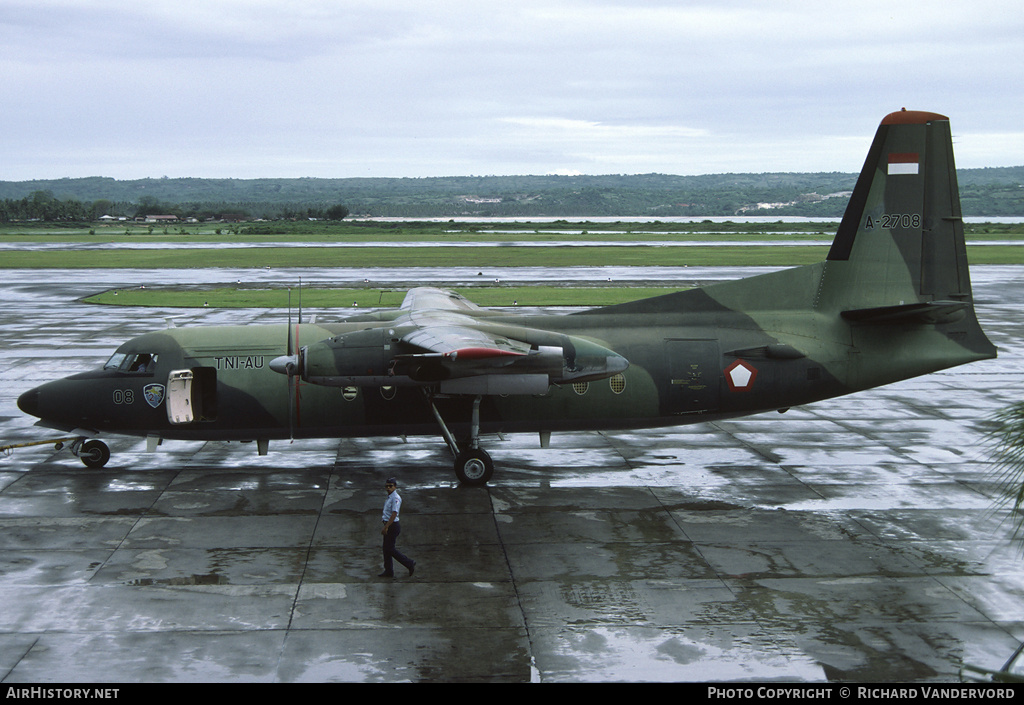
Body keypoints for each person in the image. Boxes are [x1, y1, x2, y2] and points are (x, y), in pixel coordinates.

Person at [379, 477, 415, 578]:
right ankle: (388, 571)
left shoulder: (395, 498)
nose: (388, 488)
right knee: (386, 549)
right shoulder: (390, 496)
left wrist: (386, 527)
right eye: (387, 486)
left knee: (390, 549)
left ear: (395, 487)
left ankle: (409, 563)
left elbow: (394, 513)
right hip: (389, 524)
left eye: (391, 486)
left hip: (392, 526)